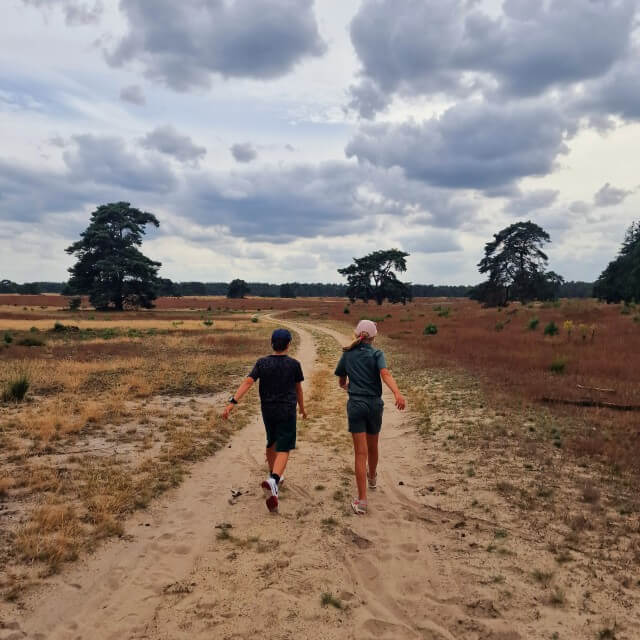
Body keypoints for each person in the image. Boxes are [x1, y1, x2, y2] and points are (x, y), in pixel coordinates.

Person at [222, 328, 306, 513]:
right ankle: (274, 479)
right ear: (288, 345)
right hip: (286, 410)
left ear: (272, 344)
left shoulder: (262, 363)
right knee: (284, 447)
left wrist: (232, 403)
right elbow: (298, 389)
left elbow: (248, 382)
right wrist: (302, 407)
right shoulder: (294, 364)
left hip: (268, 409)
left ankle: (273, 476)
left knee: (272, 442)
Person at [334, 319, 405, 515]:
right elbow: (385, 373)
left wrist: (348, 387)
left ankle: (362, 501)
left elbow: (341, 380)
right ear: (373, 337)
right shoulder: (377, 353)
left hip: (356, 405)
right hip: (375, 405)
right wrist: (397, 393)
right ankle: (372, 477)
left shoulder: (347, 354)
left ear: (357, 334)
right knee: (373, 446)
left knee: (360, 453)